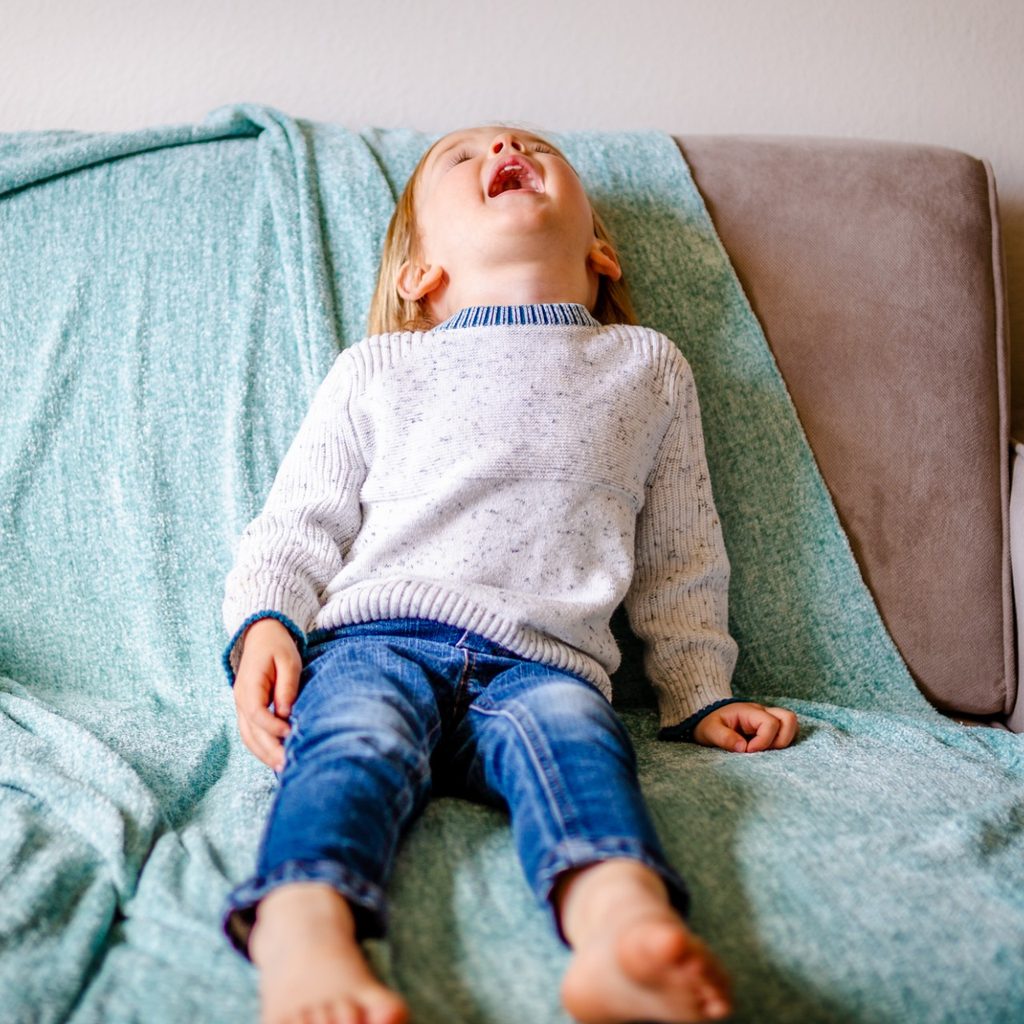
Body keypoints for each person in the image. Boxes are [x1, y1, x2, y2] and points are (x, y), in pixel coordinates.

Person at [220, 123, 799, 1024]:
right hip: (377, 642)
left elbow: (681, 555)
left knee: (582, 756)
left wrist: (699, 692)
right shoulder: (378, 369)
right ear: (420, 274)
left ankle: (621, 935)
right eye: (465, 157)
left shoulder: (647, 366)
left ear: (600, 251)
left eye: (531, 147)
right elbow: (299, 521)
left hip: (547, 666)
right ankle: (302, 930)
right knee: (350, 748)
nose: (502, 150)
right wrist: (266, 622)